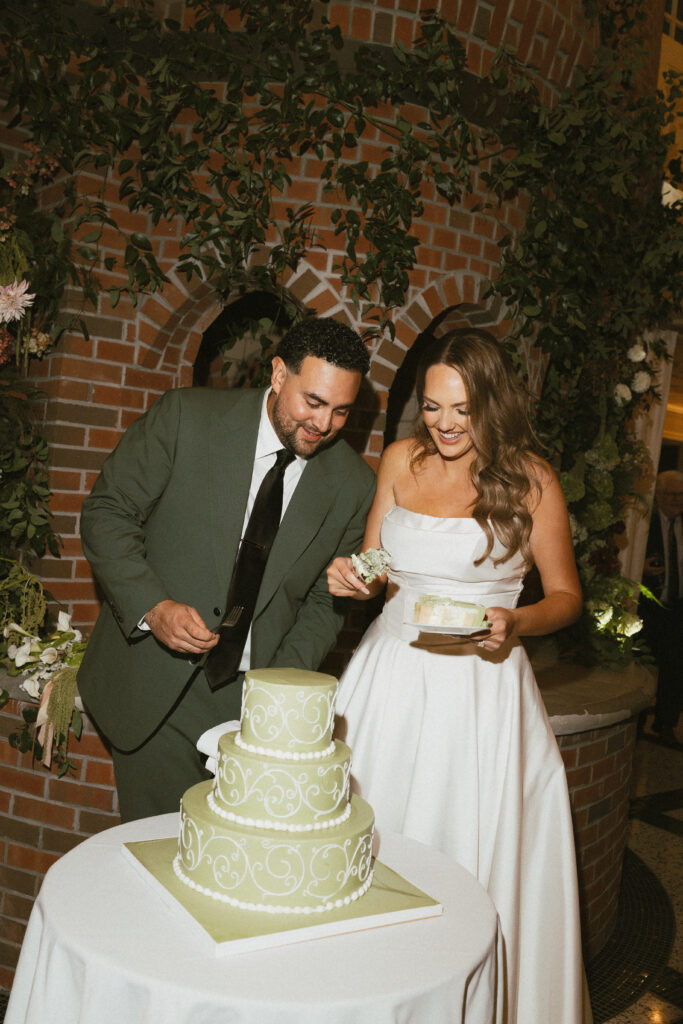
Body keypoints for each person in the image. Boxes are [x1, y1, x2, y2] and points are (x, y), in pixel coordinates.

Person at [327, 328, 591, 1024]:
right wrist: (355, 577)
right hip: (388, 678)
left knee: (466, 851)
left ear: (491, 404)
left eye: (461, 410)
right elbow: (379, 563)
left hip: (480, 685)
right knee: (371, 837)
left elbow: (565, 597)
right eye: (432, 407)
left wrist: (517, 624)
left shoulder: (532, 480)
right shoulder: (398, 460)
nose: (443, 424)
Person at [78, 317, 376, 821]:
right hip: (157, 689)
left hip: (254, 709)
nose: (323, 425)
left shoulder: (353, 483)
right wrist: (154, 606)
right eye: (314, 402)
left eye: (341, 411)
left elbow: (327, 603)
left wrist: (275, 694)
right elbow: (107, 514)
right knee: (158, 858)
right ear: (279, 374)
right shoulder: (184, 417)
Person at [639, 469, 683, 749]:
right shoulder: (645, 523)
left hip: (678, 609)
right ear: (658, 495)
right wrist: (641, 569)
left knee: (676, 669)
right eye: (671, 494)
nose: (677, 500)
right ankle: (636, 725)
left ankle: (666, 723)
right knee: (643, 667)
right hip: (648, 608)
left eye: (681, 494)